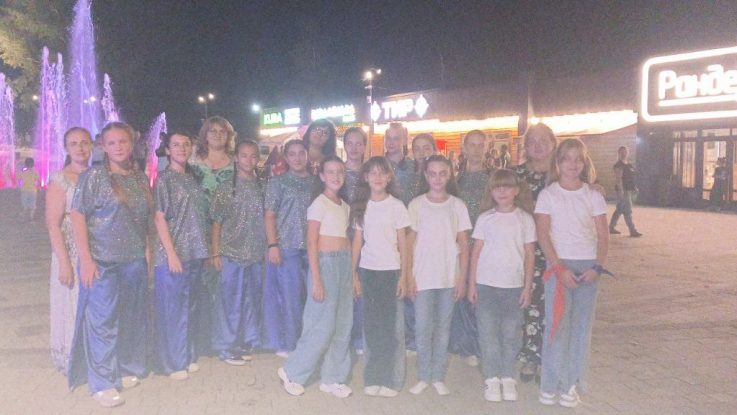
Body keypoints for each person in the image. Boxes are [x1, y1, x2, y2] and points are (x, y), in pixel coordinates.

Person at [68, 122, 152, 408]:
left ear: (132, 143)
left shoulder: (139, 178)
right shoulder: (93, 177)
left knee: (130, 317)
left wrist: (146, 252)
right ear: (103, 146)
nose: (118, 147)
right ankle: (102, 382)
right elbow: (77, 215)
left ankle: (124, 368)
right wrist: (86, 259)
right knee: (102, 322)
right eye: (112, 142)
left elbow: (143, 220)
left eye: (123, 141)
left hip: (133, 260)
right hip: (102, 262)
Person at [535, 138, 609, 408]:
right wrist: (558, 268)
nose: (572, 164)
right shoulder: (548, 195)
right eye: (567, 158)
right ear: (558, 163)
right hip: (559, 267)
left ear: (584, 163)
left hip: (588, 267)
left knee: (580, 329)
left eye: (578, 159)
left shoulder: (593, 195)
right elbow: (543, 234)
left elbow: (603, 235)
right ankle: (549, 385)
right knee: (557, 326)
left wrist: (597, 267)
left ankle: (571, 384)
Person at [278, 156, 353, 398]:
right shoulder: (318, 204)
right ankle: (293, 371)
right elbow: (311, 242)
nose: (335, 176)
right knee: (321, 325)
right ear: (321, 176)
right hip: (325, 264)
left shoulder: (345, 206)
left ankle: (333, 378)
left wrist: (351, 272)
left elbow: (347, 240)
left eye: (339, 171)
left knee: (342, 324)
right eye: (330, 172)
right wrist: (317, 279)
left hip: (343, 264)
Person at [468, 169, 536, 403]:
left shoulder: (525, 219)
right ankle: (491, 378)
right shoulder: (485, 219)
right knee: (488, 334)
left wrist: (527, 287)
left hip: (513, 287)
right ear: (491, 191)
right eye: (497, 187)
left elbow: (529, 254)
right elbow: (476, 253)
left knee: (511, 334)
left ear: (516, 190)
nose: (502, 191)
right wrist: (472, 284)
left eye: (507, 186)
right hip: (486, 286)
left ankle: (507, 376)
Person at [407, 155, 471, 396]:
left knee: (443, 328)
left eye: (442, 173)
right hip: (422, 276)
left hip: (448, 277)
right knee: (423, 328)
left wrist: (461, 278)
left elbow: (463, 244)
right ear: (425, 175)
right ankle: (424, 375)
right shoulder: (416, 205)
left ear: (449, 175)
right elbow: (409, 243)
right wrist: (408, 276)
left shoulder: (457, 206)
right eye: (432, 173)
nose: (437, 178)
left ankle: (437, 376)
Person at [350, 156, 410, 397]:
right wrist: (353, 274)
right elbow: (357, 242)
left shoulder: (397, 206)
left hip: (391, 272)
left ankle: (389, 380)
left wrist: (404, 276)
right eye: (372, 173)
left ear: (388, 177)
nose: (377, 177)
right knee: (372, 327)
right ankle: (372, 377)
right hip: (368, 272)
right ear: (366, 177)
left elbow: (404, 244)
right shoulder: (361, 207)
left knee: (390, 328)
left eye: (381, 173)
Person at [152, 131, 210, 380]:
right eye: (176, 145)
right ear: (167, 150)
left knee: (190, 307)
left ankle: (187, 355)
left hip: (194, 252)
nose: (182, 149)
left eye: (186, 144)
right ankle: (173, 362)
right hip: (174, 254)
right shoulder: (164, 179)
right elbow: (159, 218)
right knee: (173, 310)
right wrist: (171, 253)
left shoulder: (192, 177)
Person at [210, 140, 266, 365]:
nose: (249, 160)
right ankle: (226, 346)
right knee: (230, 302)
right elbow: (216, 222)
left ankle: (245, 341)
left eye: (253, 156)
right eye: (244, 155)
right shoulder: (226, 188)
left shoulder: (262, 186)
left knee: (251, 300)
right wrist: (216, 253)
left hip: (255, 254)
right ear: (236, 158)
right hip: (230, 253)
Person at [513, 122, 558, 383]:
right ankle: (530, 357)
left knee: (554, 305)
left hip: (558, 250)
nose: (538, 146)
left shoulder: (563, 175)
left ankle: (551, 359)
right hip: (526, 250)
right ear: (526, 146)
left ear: (553, 143)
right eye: (532, 141)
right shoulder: (516, 175)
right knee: (530, 306)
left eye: (543, 140)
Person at [263, 139, 316, 357]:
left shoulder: (316, 183)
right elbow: (269, 215)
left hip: (312, 248)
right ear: (286, 157)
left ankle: (309, 342)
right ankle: (289, 343)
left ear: (307, 155)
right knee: (290, 298)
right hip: (287, 247)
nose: (297, 158)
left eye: (301, 153)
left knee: (311, 298)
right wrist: (273, 244)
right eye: (292, 154)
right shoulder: (278, 182)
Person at [46, 127, 92, 374]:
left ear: (92, 145)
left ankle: (93, 356)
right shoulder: (60, 179)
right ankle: (73, 358)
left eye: (84, 142)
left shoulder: (97, 175)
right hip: (70, 253)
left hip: (94, 251)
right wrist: (64, 262)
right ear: (66, 148)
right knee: (72, 304)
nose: (80, 148)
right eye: (74, 144)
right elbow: (53, 224)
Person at [191, 116, 236, 354]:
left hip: (229, 232)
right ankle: (202, 339)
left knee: (225, 285)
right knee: (201, 285)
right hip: (197, 230)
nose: (218, 135)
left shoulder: (236, 163)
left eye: (222, 131)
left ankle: (224, 338)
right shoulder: (193, 163)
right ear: (205, 135)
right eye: (213, 131)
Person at [450, 130, 491, 367]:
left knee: (483, 296)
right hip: (464, 244)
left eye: (480, 145)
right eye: (472, 145)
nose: (476, 150)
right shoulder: (456, 181)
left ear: (486, 148)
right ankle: (468, 346)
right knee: (464, 294)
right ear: (464, 149)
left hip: (488, 245)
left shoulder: (494, 178)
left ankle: (485, 343)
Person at [341, 127, 367, 354]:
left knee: (360, 289)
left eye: (359, 143)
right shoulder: (336, 172)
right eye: (350, 143)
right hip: (339, 239)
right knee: (342, 288)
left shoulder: (371, 174)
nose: (354, 148)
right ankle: (342, 337)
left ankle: (359, 337)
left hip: (366, 240)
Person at [609, 146, 642, 236]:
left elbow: (631, 178)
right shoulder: (618, 165)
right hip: (623, 191)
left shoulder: (629, 165)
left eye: (625, 152)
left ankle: (611, 227)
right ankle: (632, 230)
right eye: (622, 152)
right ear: (619, 153)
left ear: (628, 153)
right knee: (627, 210)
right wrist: (621, 191)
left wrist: (634, 187)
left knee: (620, 210)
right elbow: (618, 179)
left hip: (628, 190)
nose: (624, 154)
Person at [18, 157, 40, 221]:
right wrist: (37, 187)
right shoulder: (35, 172)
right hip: (33, 191)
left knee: (24, 205)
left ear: (25, 164)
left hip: (24, 190)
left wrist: (20, 185)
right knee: (32, 206)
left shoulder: (23, 172)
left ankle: (23, 217)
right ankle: (31, 218)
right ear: (33, 164)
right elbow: (38, 181)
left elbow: (19, 180)